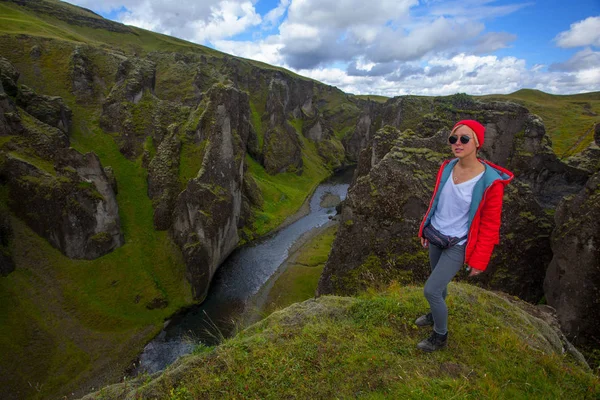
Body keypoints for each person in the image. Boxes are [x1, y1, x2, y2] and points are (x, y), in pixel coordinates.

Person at [415, 119, 514, 352]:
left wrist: (479, 260)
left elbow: (490, 225)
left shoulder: (490, 182)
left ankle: (440, 337)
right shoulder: (448, 167)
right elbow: (437, 201)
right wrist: (425, 229)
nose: (457, 143)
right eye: (453, 139)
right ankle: (434, 313)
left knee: (431, 290)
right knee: (439, 285)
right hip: (436, 235)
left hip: (457, 243)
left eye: (464, 139)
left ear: (477, 143)